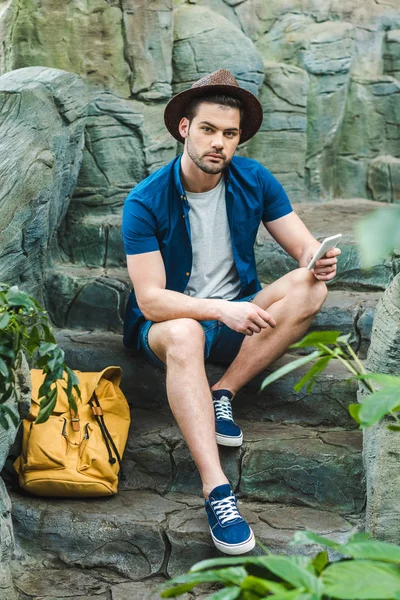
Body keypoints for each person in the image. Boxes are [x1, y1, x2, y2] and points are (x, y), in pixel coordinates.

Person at [122, 69, 340, 555]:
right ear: (184, 128)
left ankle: (224, 390)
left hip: (239, 316)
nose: (219, 143)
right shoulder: (145, 201)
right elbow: (150, 300)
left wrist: (317, 257)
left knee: (311, 289)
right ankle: (217, 490)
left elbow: (303, 247)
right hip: (174, 324)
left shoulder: (254, 178)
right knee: (183, 334)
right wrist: (221, 310)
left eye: (230, 133)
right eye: (208, 129)